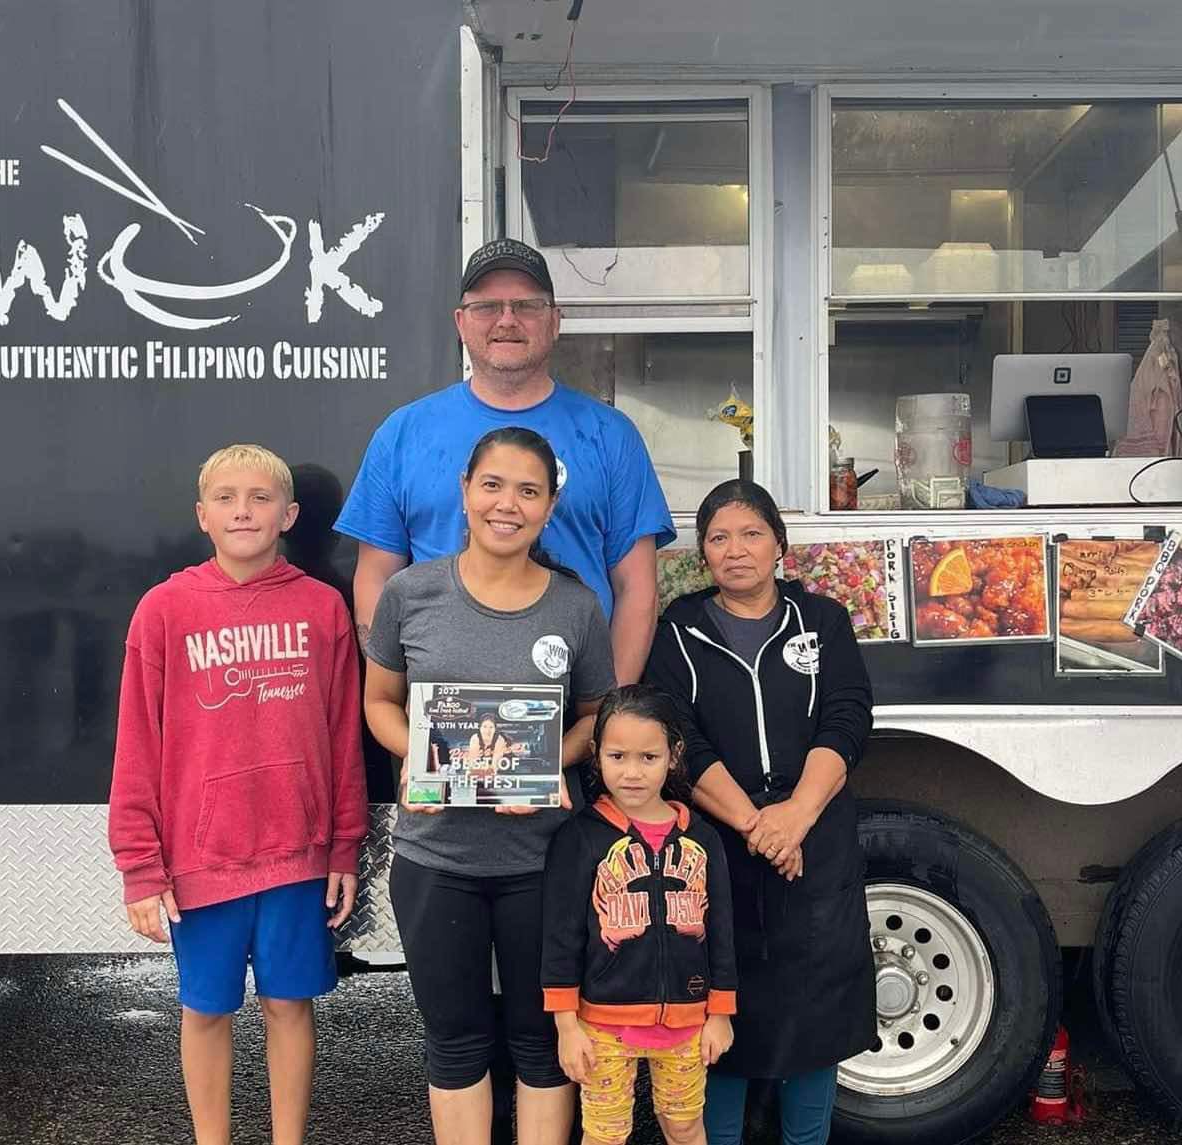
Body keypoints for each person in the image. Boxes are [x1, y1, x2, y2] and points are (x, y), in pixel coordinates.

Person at [108, 443, 368, 1145]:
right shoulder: (164, 610)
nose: (243, 510)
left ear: (289, 513)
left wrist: (344, 845)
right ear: (202, 515)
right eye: (226, 497)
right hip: (203, 859)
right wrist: (140, 863)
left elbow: (344, 735)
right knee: (206, 1010)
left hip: (298, 854)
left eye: (259, 497)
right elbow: (137, 744)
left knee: (290, 1005)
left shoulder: (322, 609)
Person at [362, 426, 617, 1145]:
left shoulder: (575, 607)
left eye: (529, 490)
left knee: (542, 1041)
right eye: (494, 485)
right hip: (436, 859)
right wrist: (414, 751)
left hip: (543, 861)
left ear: (549, 505)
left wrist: (549, 764)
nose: (509, 504)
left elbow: (599, 716)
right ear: (466, 492)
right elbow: (378, 701)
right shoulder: (411, 594)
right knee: (455, 1039)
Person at [643, 480, 875, 1145]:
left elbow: (847, 717)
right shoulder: (678, 630)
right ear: (702, 552)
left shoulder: (822, 620)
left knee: (815, 1014)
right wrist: (756, 826)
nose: (735, 549)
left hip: (816, 840)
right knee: (719, 1015)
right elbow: (679, 738)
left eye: (751, 533)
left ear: (779, 542)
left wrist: (796, 817)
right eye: (718, 536)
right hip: (717, 846)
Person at [337, 237, 675, 686]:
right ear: (460, 322)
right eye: (487, 306)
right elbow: (376, 576)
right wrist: (400, 701)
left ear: (555, 321)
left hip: (576, 718)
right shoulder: (403, 434)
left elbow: (636, 590)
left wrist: (607, 721)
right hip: (443, 721)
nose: (507, 320)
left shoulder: (611, 436)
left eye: (527, 306)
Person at [542, 685, 737, 1145]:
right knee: (606, 1134)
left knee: (685, 1125)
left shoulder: (702, 838)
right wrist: (566, 1026)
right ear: (596, 755)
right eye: (617, 756)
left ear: (674, 756)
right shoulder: (580, 838)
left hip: (688, 1021)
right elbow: (560, 936)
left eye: (648, 757)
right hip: (603, 1023)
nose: (631, 773)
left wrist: (720, 1013)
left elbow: (723, 930)